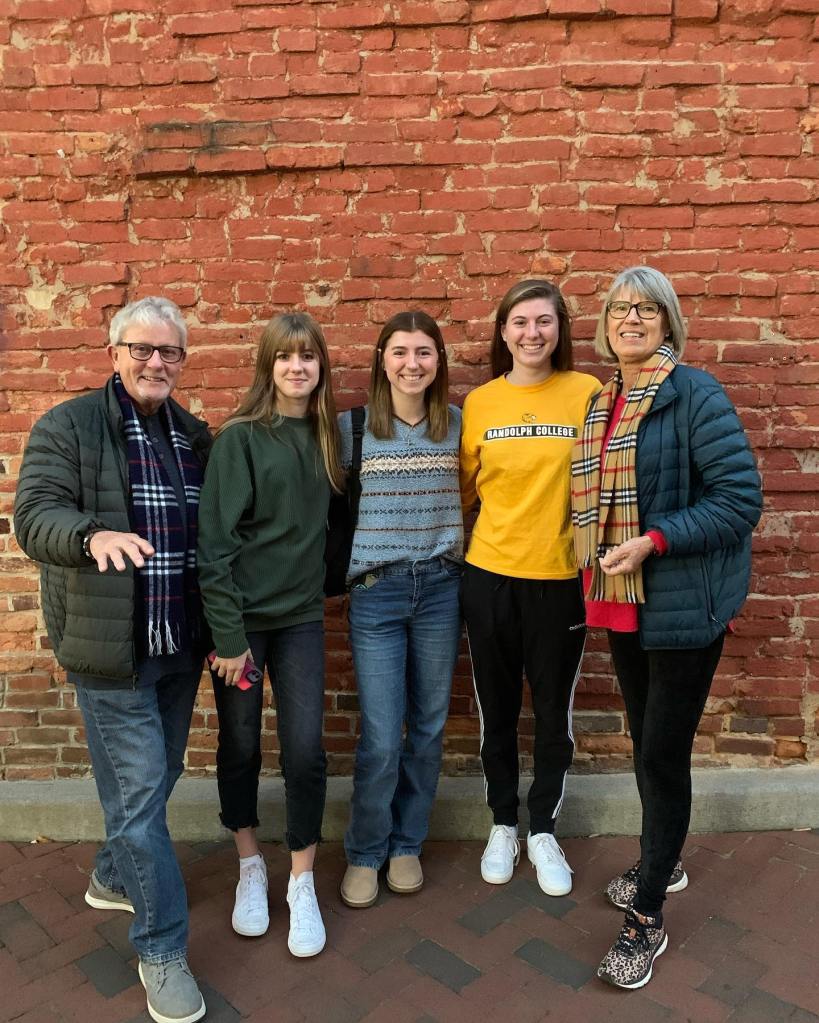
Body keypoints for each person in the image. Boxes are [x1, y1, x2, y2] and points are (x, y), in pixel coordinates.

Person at [14, 297, 210, 1023]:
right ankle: (161, 947)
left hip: (178, 643)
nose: (156, 362)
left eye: (170, 351)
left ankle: (110, 874)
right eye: (142, 349)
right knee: (139, 798)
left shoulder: (194, 436)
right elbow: (34, 515)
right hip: (108, 650)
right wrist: (91, 535)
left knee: (153, 783)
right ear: (114, 353)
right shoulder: (68, 426)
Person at [571, 266, 762, 990]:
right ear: (605, 323)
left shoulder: (694, 393)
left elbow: (739, 500)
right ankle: (665, 859)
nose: (631, 317)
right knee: (645, 739)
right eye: (620, 307)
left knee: (660, 753)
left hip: (680, 604)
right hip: (623, 599)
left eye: (647, 309)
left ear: (668, 323)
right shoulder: (603, 401)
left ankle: (647, 914)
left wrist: (654, 540)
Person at [197, 311, 344, 958]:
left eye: (307, 356)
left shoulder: (328, 437)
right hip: (242, 628)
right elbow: (214, 546)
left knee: (305, 750)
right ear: (268, 365)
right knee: (240, 743)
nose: (296, 366)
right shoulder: (241, 439)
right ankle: (251, 863)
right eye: (284, 356)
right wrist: (228, 638)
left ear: (320, 365)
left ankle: (301, 879)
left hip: (300, 620)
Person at [459, 279, 600, 897]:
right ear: (503, 332)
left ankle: (542, 828)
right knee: (495, 711)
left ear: (560, 329)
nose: (532, 333)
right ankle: (502, 823)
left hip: (560, 579)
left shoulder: (586, 393)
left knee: (550, 712)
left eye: (544, 321)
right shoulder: (480, 403)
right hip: (489, 575)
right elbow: (463, 491)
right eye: (519, 322)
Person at [339, 311, 463, 909]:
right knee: (383, 737)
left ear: (438, 360)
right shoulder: (353, 428)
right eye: (400, 352)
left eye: (424, 352)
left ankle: (408, 842)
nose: (412, 364)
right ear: (382, 360)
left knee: (430, 727)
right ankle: (366, 850)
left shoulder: (458, 424)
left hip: (441, 590)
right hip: (377, 594)